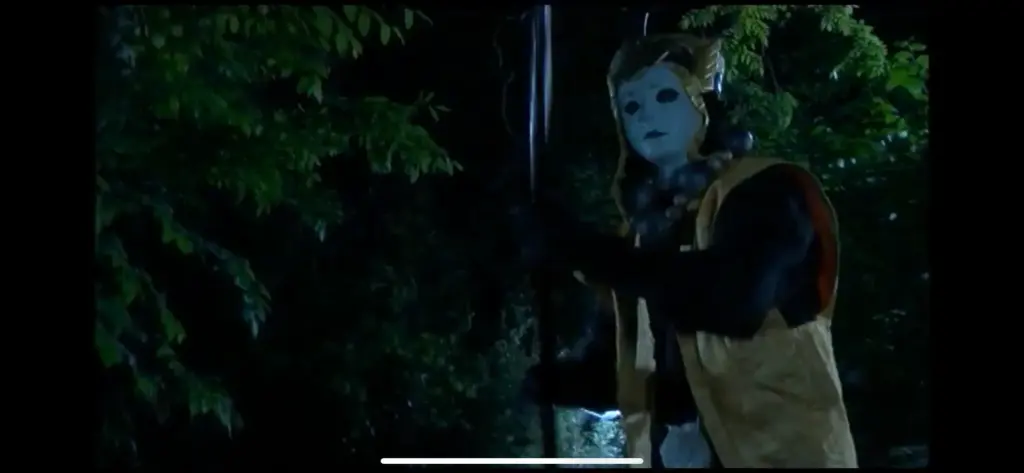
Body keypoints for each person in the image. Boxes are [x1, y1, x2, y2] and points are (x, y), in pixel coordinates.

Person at [522, 33, 857, 468]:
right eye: (630, 107)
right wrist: (559, 383)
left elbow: (732, 301)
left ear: (702, 101)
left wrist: (582, 249)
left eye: (665, 96)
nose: (646, 116)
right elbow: (634, 373)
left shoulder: (767, 192)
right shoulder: (644, 233)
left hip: (779, 452)